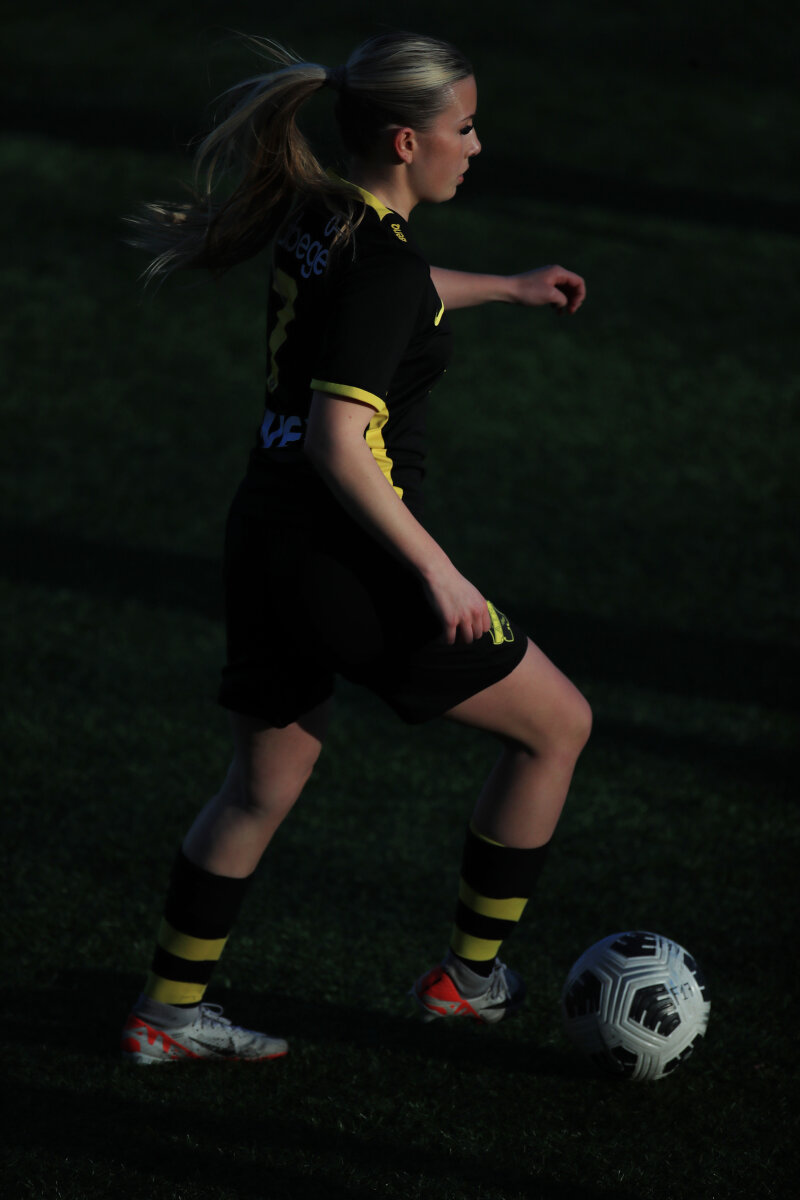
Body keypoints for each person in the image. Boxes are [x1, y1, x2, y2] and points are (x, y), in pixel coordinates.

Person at [121, 31, 591, 1065]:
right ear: (406, 140)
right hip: (346, 556)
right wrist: (438, 571)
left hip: (263, 536)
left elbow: (394, 292)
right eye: (464, 127)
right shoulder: (380, 262)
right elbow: (342, 440)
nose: (476, 145)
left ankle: (166, 1014)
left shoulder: (322, 216)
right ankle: (469, 981)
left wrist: (507, 287)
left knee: (261, 785)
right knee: (557, 725)